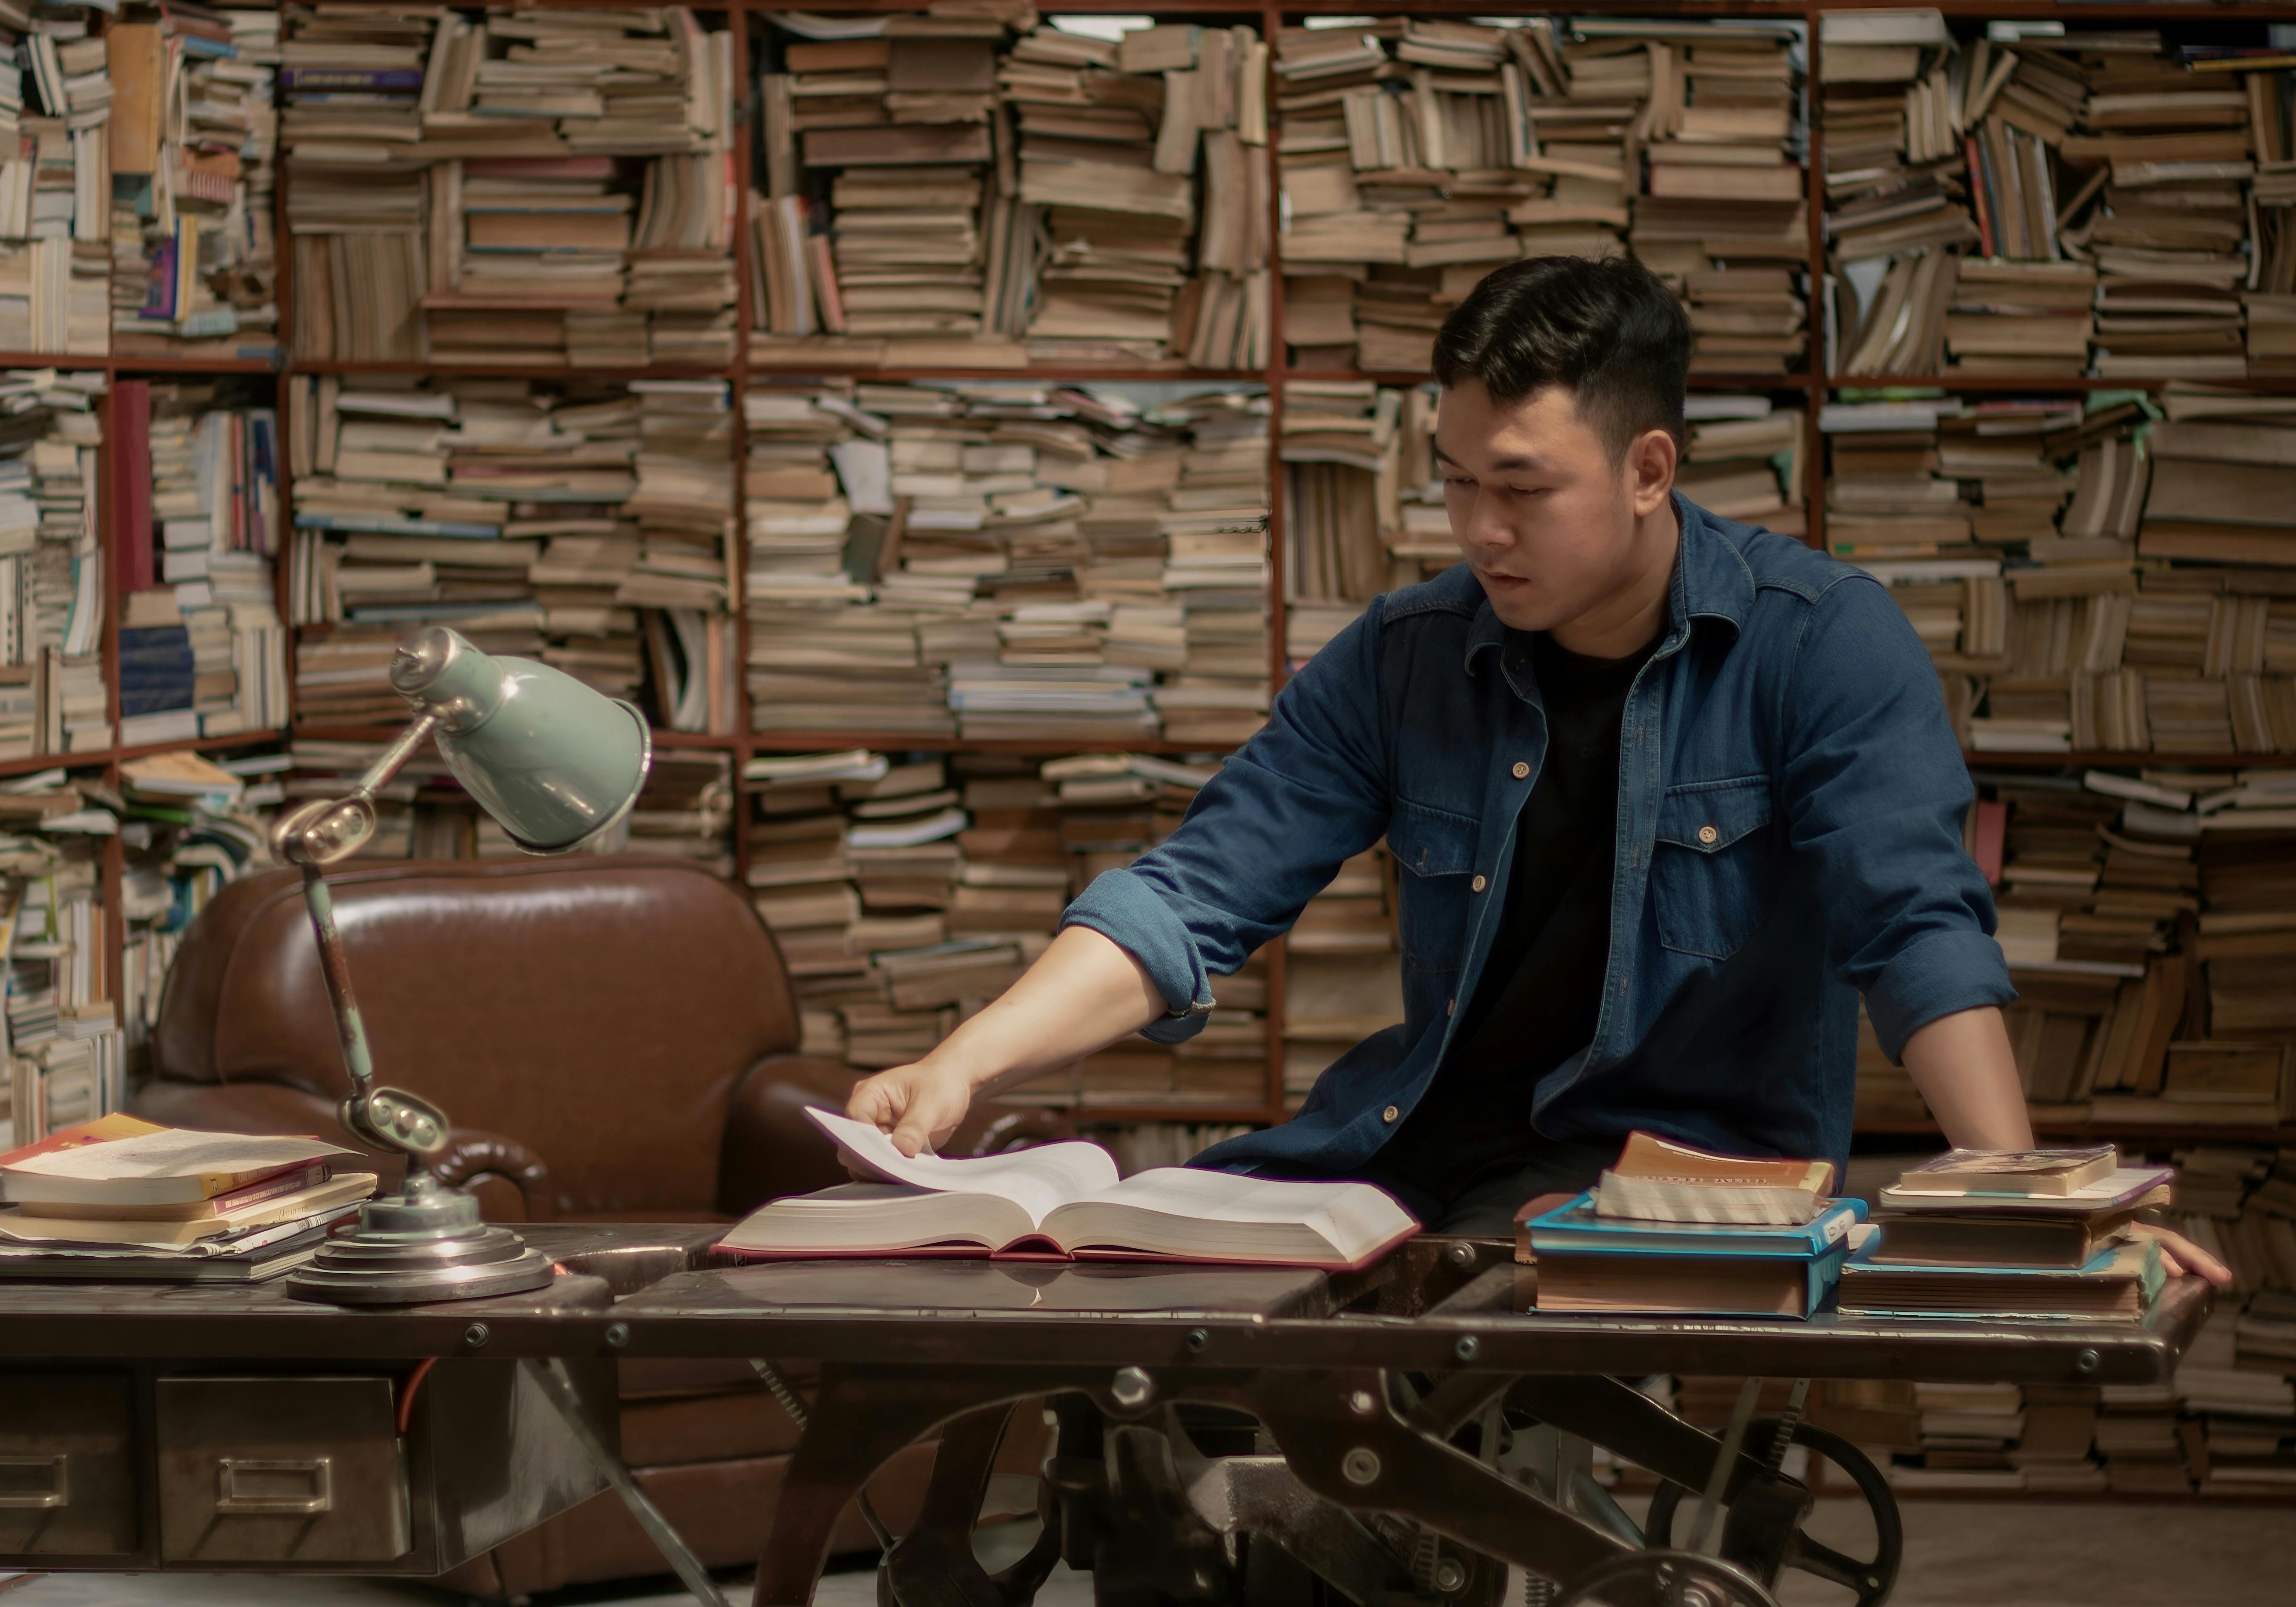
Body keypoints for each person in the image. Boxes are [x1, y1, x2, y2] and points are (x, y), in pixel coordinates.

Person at [848, 255, 2228, 1283]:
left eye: (1522, 488)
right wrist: (963, 1064)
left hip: (1663, 1179)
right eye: (1455, 483)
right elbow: (1202, 889)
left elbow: (1917, 926)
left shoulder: (1817, 644)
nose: (1482, 529)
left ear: (1648, 468)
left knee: (1408, 1402)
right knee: (1119, 1308)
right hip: (1400, 1155)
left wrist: (2029, 1209)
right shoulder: (1408, 653)